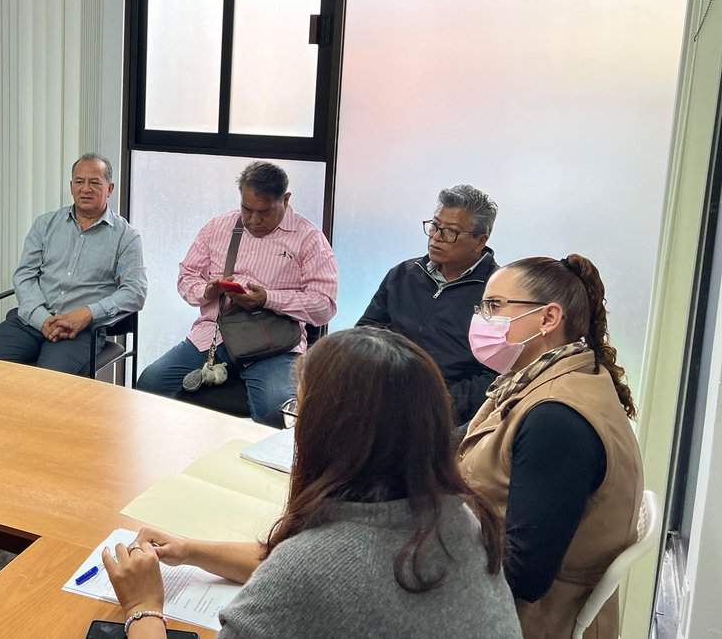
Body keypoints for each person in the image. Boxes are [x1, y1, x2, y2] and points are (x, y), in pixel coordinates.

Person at [103, 326, 522, 638]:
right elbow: (309, 567)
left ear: (330, 434)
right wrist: (190, 550)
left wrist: (143, 606)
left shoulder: (312, 567)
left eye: (299, 414)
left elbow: (313, 569)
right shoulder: (463, 521)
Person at [458, 254, 642, 638]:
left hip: (534, 620)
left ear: (548, 319)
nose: (480, 319)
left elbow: (525, 575)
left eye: (494, 306)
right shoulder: (544, 380)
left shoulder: (557, 418)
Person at [135, 161, 336, 424]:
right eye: (246, 209)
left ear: (285, 200)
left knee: (277, 414)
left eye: (264, 212)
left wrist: (267, 298)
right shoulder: (219, 227)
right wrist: (208, 290)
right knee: (150, 384)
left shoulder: (309, 238)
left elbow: (325, 306)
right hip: (214, 336)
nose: (254, 220)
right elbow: (186, 277)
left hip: (273, 345)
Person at [0, 153, 147, 375]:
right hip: (33, 321)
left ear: (109, 189)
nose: (85, 188)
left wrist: (87, 313)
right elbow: (24, 276)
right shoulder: (46, 224)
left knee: (50, 379)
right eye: (79, 181)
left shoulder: (126, 237)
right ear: (71, 186)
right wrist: (42, 319)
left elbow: (136, 290)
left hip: (83, 331)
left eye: (94, 182)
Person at [358, 184, 499, 423]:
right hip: (382, 393)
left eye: (451, 232)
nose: (436, 237)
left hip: (445, 411)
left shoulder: (497, 294)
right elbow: (366, 332)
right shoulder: (403, 274)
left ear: (480, 240)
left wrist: (435, 403)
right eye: (435, 226)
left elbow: (494, 374)